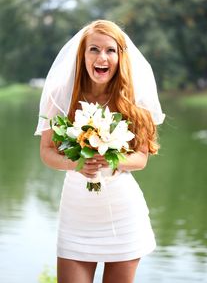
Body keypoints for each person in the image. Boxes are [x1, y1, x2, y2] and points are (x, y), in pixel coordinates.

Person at [35, 19, 165, 283]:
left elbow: (141, 158)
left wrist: (112, 159)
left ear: (120, 57)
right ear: (82, 55)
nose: (101, 57)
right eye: (94, 49)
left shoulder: (134, 101)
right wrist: (76, 164)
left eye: (110, 50)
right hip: (76, 213)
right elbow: (47, 152)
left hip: (122, 213)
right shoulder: (60, 95)